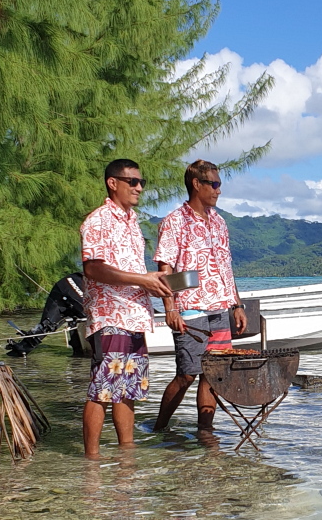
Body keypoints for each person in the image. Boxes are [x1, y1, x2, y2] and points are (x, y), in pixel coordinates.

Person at [80, 158, 173, 455]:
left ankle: (126, 454)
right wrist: (140, 279)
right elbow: (93, 269)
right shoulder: (98, 220)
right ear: (113, 183)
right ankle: (91, 461)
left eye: (142, 182)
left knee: (127, 390)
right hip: (110, 313)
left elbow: (133, 270)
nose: (139, 188)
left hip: (134, 315)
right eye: (133, 181)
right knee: (103, 389)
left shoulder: (132, 221)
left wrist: (154, 281)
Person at [153, 159, 247, 431]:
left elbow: (226, 268)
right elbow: (165, 268)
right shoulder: (174, 221)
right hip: (190, 310)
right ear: (197, 184)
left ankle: (206, 433)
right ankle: (159, 427)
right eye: (214, 184)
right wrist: (169, 308)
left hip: (220, 309)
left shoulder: (220, 223)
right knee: (187, 375)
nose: (219, 190)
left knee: (214, 375)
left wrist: (237, 305)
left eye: (219, 185)